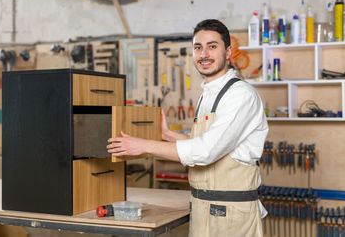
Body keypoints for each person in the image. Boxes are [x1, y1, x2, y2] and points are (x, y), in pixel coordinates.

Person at [107, 19, 268, 237]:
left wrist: (144, 146)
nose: (204, 54)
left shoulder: (240, 95)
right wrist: (168, 135)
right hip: (202, 207)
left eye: (212, 46)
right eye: (198, 47)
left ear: (228, 52)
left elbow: (206, 151)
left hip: (231, 214)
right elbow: (206, 142)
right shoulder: (207, 95)